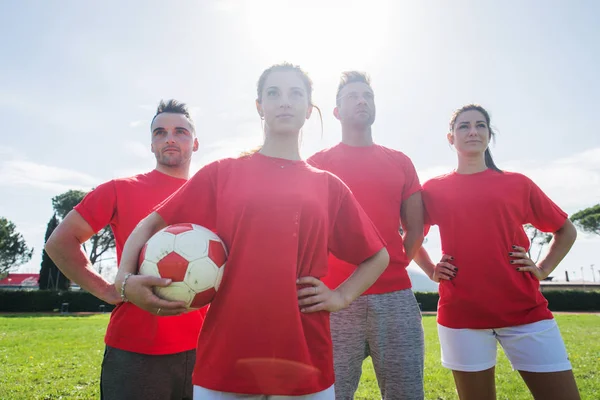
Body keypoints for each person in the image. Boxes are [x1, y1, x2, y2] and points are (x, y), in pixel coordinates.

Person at [113, 62, 390, 399]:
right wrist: (124, 281)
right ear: (260, 107)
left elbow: (378, 256)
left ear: (309, 109)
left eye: (295, 93)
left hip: (305, 360)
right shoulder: (222, 173)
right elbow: (149, 224)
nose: (284, 101)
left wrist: (341, 296)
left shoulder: (328, 186)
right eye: (273, 93)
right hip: (226, 362)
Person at [414, 104, 580, 400]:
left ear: (490, 134)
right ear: (450, 138)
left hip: (526, 312)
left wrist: (542, 269)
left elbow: (566, 230)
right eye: (464, 126)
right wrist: (430, 270)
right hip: (462, 315)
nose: (473, 131)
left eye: (480, 125)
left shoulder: (517, 184)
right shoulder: (433, 190)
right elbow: (411, 236)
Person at [45, 99, 204, 400]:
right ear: (151, 145)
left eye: (180, 131)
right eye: (160, 132)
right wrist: (107, 289)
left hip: (206, 350)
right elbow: (60, 242)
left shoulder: (214, 194)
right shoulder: (120, 188)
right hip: (136, 350)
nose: (169, 137)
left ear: (195, 143)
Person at [307, 71, 424, 400]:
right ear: (336, 111)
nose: (362, 101)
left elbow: (414, 228)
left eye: (368, 96)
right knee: (329, 394)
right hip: (334, 298)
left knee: (406, 394)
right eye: (352, 96)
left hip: (396, 299)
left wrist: (394, 264)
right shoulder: (317, 165)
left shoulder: (400, 162)